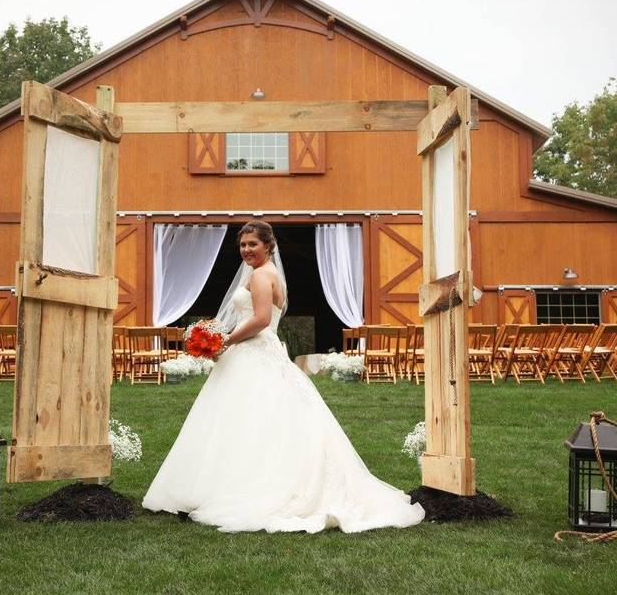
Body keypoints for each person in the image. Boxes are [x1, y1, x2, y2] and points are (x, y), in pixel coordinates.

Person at [142, 221, 424, 533]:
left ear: (268, 246)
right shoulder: (266, 273)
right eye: (243, 245)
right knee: (249, 421)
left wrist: (224, 341)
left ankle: (247, 487)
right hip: (259, 352)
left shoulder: (262, 275)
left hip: (255, 352)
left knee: (249, 419)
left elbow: (262, 319)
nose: (247, 250)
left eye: (253, 244)